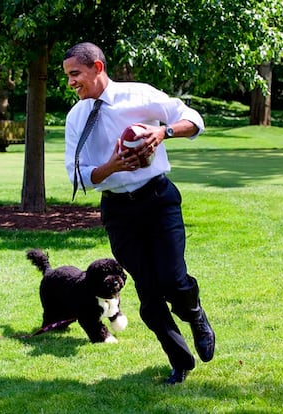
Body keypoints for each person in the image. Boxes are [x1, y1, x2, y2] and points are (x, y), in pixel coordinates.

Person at [63, 42, 215, 385]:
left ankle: (195, 315)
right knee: (148, 293)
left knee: (174, 281)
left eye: (76, 74)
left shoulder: (139, 95)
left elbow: (194, 119)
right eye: (68, 76)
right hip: (119, 212)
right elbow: (77, 175)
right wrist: (110, 166)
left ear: (98, 68)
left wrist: (163, 132)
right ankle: (180, 362)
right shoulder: (76, 118)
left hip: (159, 200)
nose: (71, 82)